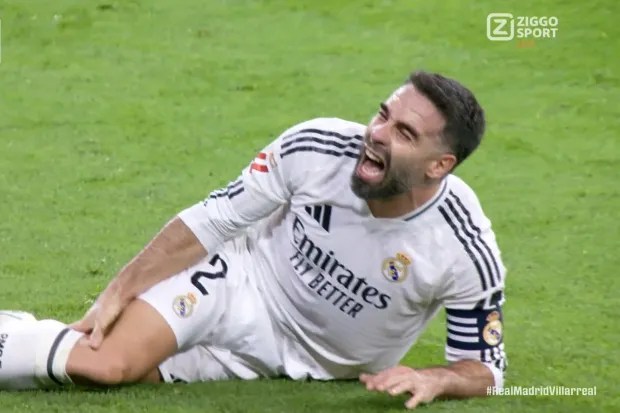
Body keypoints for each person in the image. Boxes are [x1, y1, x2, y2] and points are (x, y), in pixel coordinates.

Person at [0, 70, 506, 410]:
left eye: (404, 134)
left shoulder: (463, 248)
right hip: (242, 286)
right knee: (105, 366)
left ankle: (22, 332)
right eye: (382, 115)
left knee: (128, 374)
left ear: (440, 166)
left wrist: (434, 379)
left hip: (322, 366)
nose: (375, 133)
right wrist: (119, 289)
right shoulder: (317, 147)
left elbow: (484, 369)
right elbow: (214, 220)